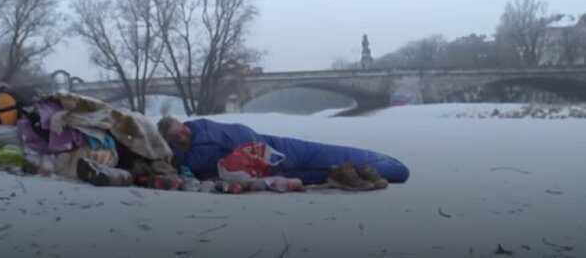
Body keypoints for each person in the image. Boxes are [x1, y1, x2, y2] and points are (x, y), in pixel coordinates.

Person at [157, 117, 410, 191]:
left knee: (319, 159)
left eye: (182, 129)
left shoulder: (202, 137)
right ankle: (356, 172)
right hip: (274, 159)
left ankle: (367, 169)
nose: (183, 134)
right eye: (177, 135)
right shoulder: (197, 142)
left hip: (273, 152)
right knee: (317, 167)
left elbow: (201, 158)